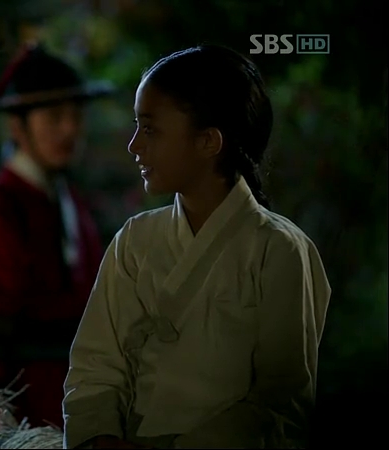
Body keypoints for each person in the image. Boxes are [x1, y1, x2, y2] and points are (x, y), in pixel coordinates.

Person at [62, 45, 331, 449]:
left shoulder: (278, 250)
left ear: (208, 141)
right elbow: (94, 367)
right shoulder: (135, 241)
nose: (134, 145)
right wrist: (100, 438)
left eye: (150, 130)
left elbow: (280, 402)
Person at [0, 44, 113, 428]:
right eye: (54, 117)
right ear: (17, 126)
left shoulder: (70, 200)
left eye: (76, 115)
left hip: (79, 396)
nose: (69, 129)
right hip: (23, 409)